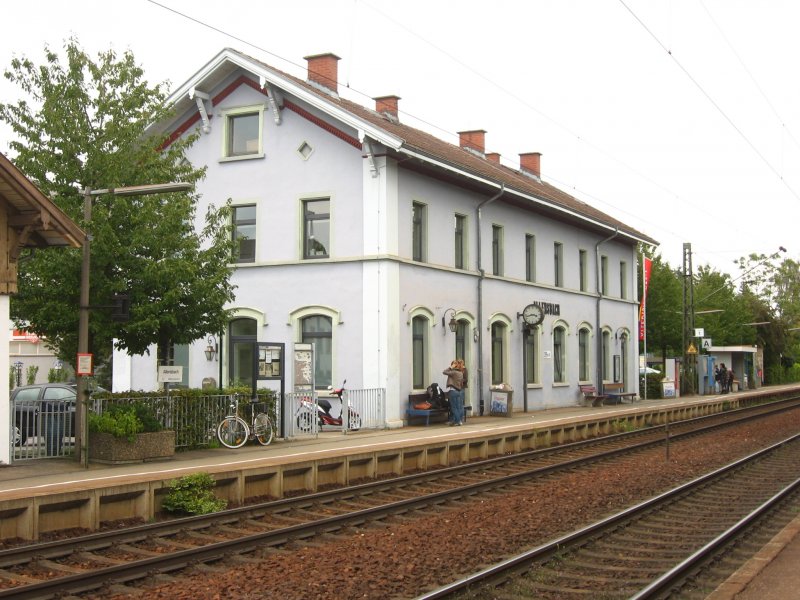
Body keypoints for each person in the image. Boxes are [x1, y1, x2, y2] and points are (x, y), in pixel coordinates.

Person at [443, 360, 464, 426]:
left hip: (453, 391)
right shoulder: (461, 373)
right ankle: (459, 420)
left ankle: (458, 421)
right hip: (459, 391)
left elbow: (444, 372)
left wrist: (451, 367)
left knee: (454, 408)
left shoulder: (454, 372)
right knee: (458, 407)